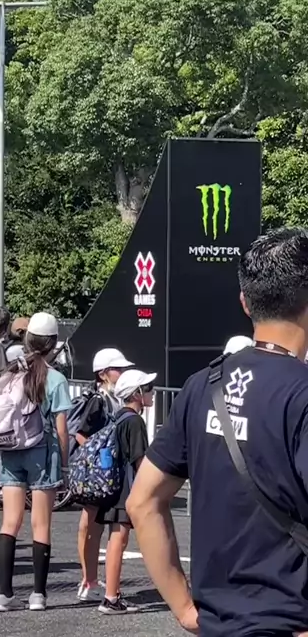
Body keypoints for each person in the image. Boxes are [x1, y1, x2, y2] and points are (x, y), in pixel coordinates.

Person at [127, 227, 308, 637]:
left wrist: (183, 607)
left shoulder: (202, 386)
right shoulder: (301, 394)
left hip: (216, 623)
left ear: (245, 301)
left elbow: (143, 502)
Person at [0, 312, 71, 613]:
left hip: (11, 450)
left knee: (9, 522)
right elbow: (61, 429)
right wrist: (64, 464)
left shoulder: (12, 371)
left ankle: (4, 594)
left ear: (27, 340)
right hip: (43, 452)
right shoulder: (56, 379)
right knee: (41, 524)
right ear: (53, 343)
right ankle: (38, 594)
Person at [75, 348, 134, 601]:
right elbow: (81, 434)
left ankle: (95, 582)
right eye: (117, 369)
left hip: (111, 474)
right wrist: (98, 458)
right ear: (103, 374)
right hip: (100, 474)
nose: (122, 373)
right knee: (90, 526)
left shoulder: (117, 398)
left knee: (97, 526)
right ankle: (88, 580)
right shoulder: (98, 400)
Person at [95, 368, 155, 615]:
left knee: (115, 540)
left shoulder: (118, 417)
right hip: (127, 490)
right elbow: (140, 462)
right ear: (137, 393)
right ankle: (111, 597)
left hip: (112, 485)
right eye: (148, 388)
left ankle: (112, 594)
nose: (152, 392)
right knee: (119, 541)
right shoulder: (135, 422)